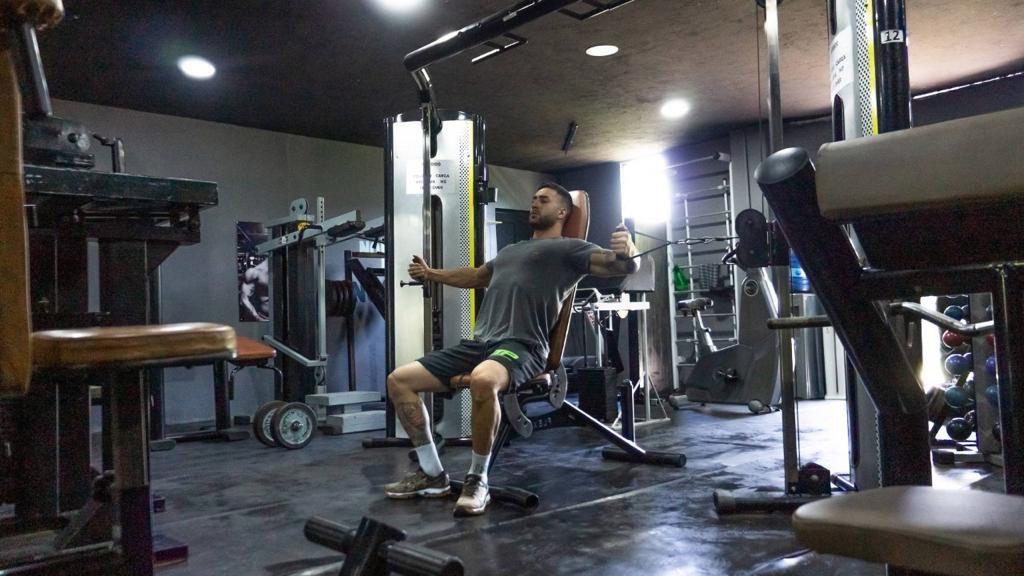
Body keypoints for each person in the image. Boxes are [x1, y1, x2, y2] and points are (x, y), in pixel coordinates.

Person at [385, 182, 640, 516]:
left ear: (562, 212)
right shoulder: (510, 251)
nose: (534, 204)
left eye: (543, 200)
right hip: (478, 344)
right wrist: (431, 273)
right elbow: (476, 276)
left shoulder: (570, 249)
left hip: (522, 346)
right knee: (399, 380)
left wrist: (629, 252)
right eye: (533, 199)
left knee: (483, 380)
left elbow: (617, 266)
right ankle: (432, 474)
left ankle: (478, 480)